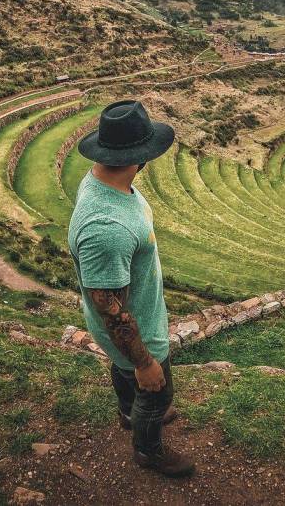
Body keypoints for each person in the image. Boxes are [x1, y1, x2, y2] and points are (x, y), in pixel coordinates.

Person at [67, 99, 195, 477]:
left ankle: (129, 411)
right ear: (140, 157)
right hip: (139, 333)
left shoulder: (97, 182)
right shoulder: (107, 229)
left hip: (125, 326)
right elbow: (110, 307)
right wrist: (145, 363)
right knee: (157, 391)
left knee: (125, 374)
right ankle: (147, 450)